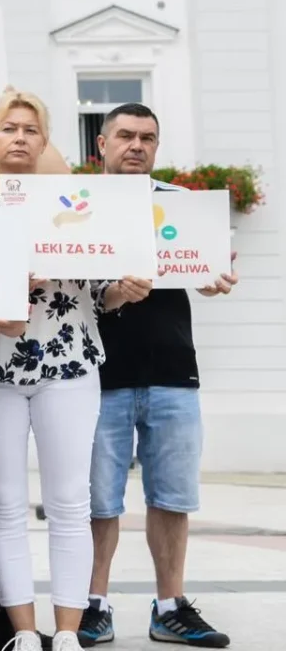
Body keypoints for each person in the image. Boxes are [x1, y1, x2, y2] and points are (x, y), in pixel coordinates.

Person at [0, 92, 151, 651]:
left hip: (70, 361)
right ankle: (25, 632)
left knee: (71, 501)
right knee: (2, 504)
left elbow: (102, 286)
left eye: (31, 128)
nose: (20, 137)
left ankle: (69, 633)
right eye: (9, 127)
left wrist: (122, 290)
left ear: (45, 140)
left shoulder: (79, 201)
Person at [82, 103, 237, 649]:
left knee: (172, 497)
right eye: (124, 135)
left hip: (173, 371)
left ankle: (169, 606)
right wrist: (112, 296)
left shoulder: (183, 206)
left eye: (147, 137)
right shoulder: (74, 206)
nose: (136, 145)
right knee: (97, 500)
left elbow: (205, 269)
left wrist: (213, 276)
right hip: (97, 374)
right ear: (101, 145)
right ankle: (90, 606)